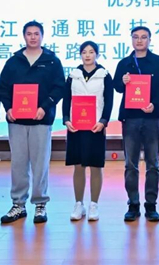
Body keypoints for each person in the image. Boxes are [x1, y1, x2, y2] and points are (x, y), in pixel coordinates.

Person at [0, 21, 66, 224]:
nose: (33, 37)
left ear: (42, 36)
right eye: (29, 34)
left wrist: (44, 107)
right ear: (24, 36)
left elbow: (59, 88)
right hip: (17, 120)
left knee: (40, 163)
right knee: (18, 163)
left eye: (37, 33)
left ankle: (40, 204)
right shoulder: (13, 61)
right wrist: (8, 108)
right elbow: (3, 88)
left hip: (41, 120)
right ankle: (18, 204)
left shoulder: (52, 61)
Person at [113, 26, 159, 222]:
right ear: (131, 40)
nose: (139, 40)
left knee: (153, 163)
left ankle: (151, 205)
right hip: (130, 118)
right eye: (136, 37)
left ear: (149, 40)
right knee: (131, 164)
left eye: (144, 37)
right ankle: (133, 204)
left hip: (151, 118)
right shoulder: (124, 63)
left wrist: (154, 103)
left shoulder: (158, 62)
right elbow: (117, 87)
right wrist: (122, 81)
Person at [62, 41, 113, 221]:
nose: (88, 55)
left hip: (95, 126)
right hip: (76, 126)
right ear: (80, 55)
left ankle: (93, 204)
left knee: (95, 165)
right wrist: (66, 119)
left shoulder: (104, 75)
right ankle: (79, 204)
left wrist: (103, 121)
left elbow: (109, 101)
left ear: (97, 55)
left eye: (91, 52)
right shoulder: (73, 75)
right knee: (78, 165)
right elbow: (66, 99)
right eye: (84, 52)